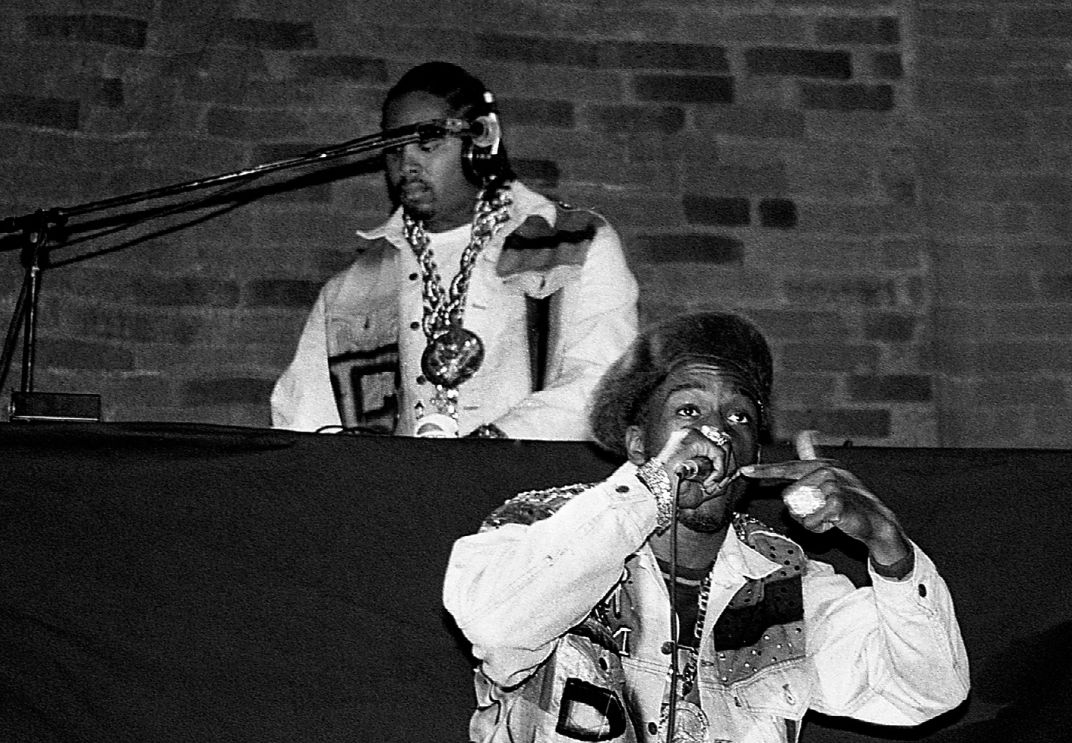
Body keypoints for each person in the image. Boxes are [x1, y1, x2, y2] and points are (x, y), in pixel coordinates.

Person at [443, 312, 970, 742]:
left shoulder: (783, 579)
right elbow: (496, 627)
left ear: (754, 454)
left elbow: (924, 694)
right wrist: (652, 491)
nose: (715, 432)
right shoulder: (540, 523)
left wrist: (889, 549)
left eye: (739, 417)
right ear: (638, 444)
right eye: (689, 409)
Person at [271, 61, 638, 439]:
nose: (407, 163)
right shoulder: (351, 290)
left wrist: (486, 448)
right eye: (393, 148)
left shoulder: (573, 244)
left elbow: (604, 382)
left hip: (534, 486)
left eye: (427, 142)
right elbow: (303, 423)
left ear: (481, 141)